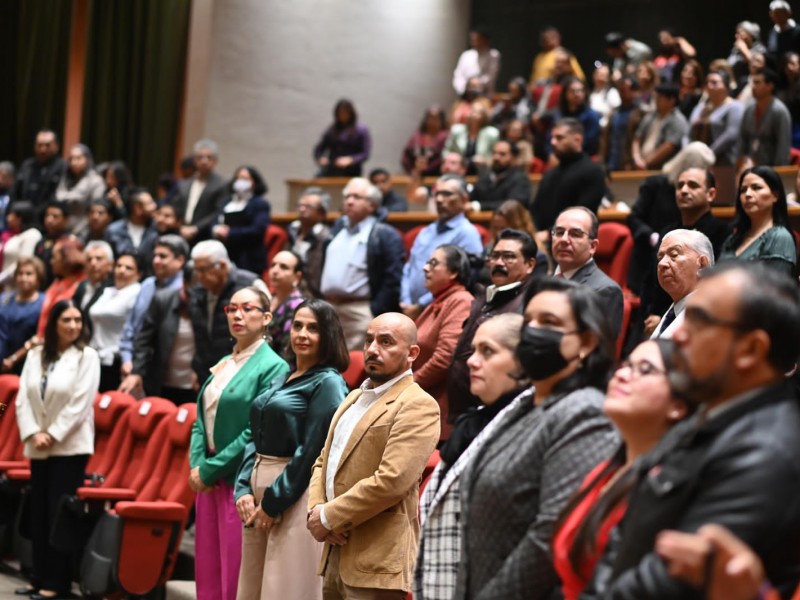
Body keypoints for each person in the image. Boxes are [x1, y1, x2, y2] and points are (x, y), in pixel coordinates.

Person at [589, 261, 800, 598]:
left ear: (750, 350)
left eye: (699, 321)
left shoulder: (765, 455)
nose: (680, 333)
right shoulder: (712, 411)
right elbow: (623, 535)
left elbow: (662, 586)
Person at [453, 278, 618, 600]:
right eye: (529, 321)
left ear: (585, 343)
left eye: (550, 323)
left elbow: (550, 534)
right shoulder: (524, 406)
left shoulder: (586, 412)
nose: (533, 330)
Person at [306, 312, 440, 599]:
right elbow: (323, 460)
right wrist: (317, 511)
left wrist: (329, 517)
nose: (372, 349)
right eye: (368, 340)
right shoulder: (353, 397)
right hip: (335, 552)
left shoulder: (418, 404)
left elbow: (392, 481)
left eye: (386, 342)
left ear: (412, 353)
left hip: (377, 562)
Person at [552, 338, 690, 600]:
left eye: (645, 369)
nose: (622, 374)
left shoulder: (664, 488)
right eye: (626, 364)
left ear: (678, 405)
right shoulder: (607, 468)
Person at [235, 299, 349, 600]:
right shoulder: (283, 375)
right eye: (298, 325)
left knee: (282, 587)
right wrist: (243, 487)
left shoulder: (329, 383)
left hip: (293, 494)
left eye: (313, 328)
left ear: (329, 335)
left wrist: (274, 501)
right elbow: (254, 434)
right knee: (251, 587)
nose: (302, 333)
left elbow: (313, 450)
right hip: (259, 489)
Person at [414, 314, 528, 600]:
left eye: (488, 351)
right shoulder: (471, 422)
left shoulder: (531, 426)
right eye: (473, 350)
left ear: (523, 361)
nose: (472, 361)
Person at [189, 286, 290, 600]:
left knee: (234, 571)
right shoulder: (225, 361)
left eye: (247, 308)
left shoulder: (274, 366)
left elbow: (253, 430)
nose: (237, 315)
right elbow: (199, 417)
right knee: (207, 569)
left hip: (238, 481)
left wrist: (210, 468)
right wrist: (197, 464)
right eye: (232, 309)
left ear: (267, 318)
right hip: (208, 477)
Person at [14, 299, 100, 600]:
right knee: (38, 513)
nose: (74, 325)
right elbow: (22, 398)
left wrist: (51, 434)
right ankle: (38, 577)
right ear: (54, 324)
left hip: (69, 447)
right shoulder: (37, 354)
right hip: (37, 446)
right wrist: (32, 433)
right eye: (67, 320)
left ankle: (57, 583)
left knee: (58, 515)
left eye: (78, 320)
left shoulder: (86, 356)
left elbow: (81, 403)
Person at [447, 228, 537, 421]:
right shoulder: (485, 295)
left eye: (508, 257)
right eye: (495, 256)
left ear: (529, 265)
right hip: (466, 409)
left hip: (496, 413)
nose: (498, 263)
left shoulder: (530, 304)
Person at [320, 178, 404, 350]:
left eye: (357, 197)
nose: (349, 201)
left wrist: (374, 310)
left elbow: (393, 277)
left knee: (354, 366)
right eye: (347, 196)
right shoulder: (337, 229)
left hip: (359, 310)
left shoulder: (384, 234)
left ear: (372, 205)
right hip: (329, 308)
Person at [400, 174, 482, 319]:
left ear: (464, 199)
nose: (439, 199)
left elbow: (463, 279)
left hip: (442, 311)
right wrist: (405, 300)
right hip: (409, 309)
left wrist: (420, 305)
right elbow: (409, 267)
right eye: (437, 194)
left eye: (447, 194)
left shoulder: (467, 233)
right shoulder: (426, 231)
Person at [413, 245, 474, 437]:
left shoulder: (460, 301)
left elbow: (445, 357)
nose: (425, 268)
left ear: (453, 272)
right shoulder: (439, 301)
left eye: (433, 263)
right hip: (421, 401)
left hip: (437, 408)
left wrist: (409, 386)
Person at [187, 240, 266, 383]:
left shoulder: (251, 285)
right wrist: (196, 368)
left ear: (222, 265)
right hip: (206, 373)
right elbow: (199, 335)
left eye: (204, 270)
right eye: (196, 270)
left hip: (242, 374)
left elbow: (267, 332)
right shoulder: (198, 290)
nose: (199, 276)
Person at [117, 234, 188, 384]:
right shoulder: (147, 285)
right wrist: (127, 359)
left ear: (180, 260)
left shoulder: (184, 290)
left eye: (163, 256)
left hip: (167, 370)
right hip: (134, 364)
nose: (156, 261)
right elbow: (131, 326)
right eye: (155, 255)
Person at [121, 264, 196, 403]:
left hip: (195, 385)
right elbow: (143, 340)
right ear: (185, 283)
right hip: (162, 382)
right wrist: (136, 372)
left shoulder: (207, 302)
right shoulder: (163, 299)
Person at [551, 207, 624, 338]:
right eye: (559, 232)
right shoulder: (541, 281)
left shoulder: (605, 291)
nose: (564, 239)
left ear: (593, 246)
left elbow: (598, 350)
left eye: (575, 234)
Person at [531, 118, 606, 238]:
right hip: (542, 243)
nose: (553, 142)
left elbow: (583, 215)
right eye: (552, 138)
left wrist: (548, 234)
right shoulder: (549, 174)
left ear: (577, 140)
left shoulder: (593, 172)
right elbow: (536, 211)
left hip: (572, 242)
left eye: (559, 138)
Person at [719, 166, 796, 276]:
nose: (748, 194)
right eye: (743, 190)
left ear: (775, 195)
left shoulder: (780, 237)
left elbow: (775, 288)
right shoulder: (733, 238)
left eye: (756, 188)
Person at [88, 252, 143, 392]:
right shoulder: (107, 291)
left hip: (116, 360)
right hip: (95, 356)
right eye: (119, 266)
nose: (122, 270)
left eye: (128, 268)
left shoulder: (137, 293)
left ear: (139, 274)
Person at [648, 230, 715, 340]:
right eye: (660, 258)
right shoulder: (674, 310)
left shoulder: (712, 315)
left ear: (702, 265)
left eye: (674, 254)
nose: (661, 263)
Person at [212, 165, 271, 275]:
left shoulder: (259, 203)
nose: (240, 182)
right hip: (227, 253)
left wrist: (230, 233)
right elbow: (215, 219)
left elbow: (258, 229)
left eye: (245, 179)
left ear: (254, 182)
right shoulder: (227, 201)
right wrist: (216, 229)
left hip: (248, 257)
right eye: (238, 178)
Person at [174, 139, 230, 244]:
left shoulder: (222, 184)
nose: (204, 161)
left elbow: (218, 212)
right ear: (194, 160)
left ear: (215, 161)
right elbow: (177, 208)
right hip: (182, 233)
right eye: (200, 157)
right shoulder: (184, 184)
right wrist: (180, 227)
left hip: (205, 236)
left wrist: (196, 228)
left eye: (209, 157)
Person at [687, 70, 745, 168]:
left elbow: (731, 134)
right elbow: (688, 132)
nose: (709, 85)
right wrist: (689, 152)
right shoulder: (700, 107)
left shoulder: (735, 106)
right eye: (707, 83)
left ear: (726, 86)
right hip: (696, 162)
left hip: (723, 162)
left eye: (714, 82)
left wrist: (707, 154)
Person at [35, 236, 87, 339]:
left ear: (67, 258)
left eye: (54, 257)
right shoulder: (58, 282)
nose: (51, 261)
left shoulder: (80, 285)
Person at [738, 68, 792, 168]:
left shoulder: (780, 111)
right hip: (750, 168)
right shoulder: (749, 109)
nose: (753, 86)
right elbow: (742, 141)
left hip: (771, 169)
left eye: (757, 82)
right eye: (752, 82)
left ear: (770, 86)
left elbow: (783, 148)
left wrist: (778, 173)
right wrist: (741, 163)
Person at [0, 258, 45, 374]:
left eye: (29, 274)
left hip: (24, 364)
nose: (23, 278)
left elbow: (40, 336)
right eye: (20, 273)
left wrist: (14, 358)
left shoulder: (43, 303)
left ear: (38, 277)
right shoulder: (4, 298)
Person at [632, 83, 689, 170]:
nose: (656, 100)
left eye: (660, 97)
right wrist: (637, 158)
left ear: (671, 100)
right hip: (641, 165)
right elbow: (637, 138)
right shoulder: (651, 116)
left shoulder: (678, 120)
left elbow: (669, 146)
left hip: (661, 169)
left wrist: (646, 162)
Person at [287, 187, 332, 297]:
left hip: (313, 294)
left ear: (322, 213)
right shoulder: (292, 231)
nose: (302, 209)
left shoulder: (325, 237)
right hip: (290, 289)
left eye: (308, 207)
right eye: (300, 205)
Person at [55, 143, 105, 236]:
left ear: (87, 159)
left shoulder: (96, 181)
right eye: (71, 159)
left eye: (78, 158)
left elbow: (95, 209)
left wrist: (69, 197)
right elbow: (58, 197)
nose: (74, 162)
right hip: (62, 228)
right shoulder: (66, 178)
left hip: (84, 229)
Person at [313, 99, 372, 177]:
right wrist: (321, 158)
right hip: (332, 170)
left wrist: (351, 160)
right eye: (340, 112)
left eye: (345, 112)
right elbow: (319, 149)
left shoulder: (361, 129)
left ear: (351, 113)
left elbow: (365, 153)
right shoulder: (331, 130)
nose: (342, 115)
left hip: (352, 171)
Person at [471, 140, 533, 211]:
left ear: (514, 158)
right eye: (494, 153)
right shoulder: (485, 176)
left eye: (502, 154)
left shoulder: (520, 179)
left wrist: (479, 206)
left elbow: (514, 205)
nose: (496, 157)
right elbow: (472, 199)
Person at [443, 101, 500, 175]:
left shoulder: (491, 133)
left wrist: (485, 161)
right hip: (458, 170)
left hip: (483, 170)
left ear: (484, 116)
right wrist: (453, 159)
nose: (474, 114)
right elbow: (446, 151)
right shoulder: (456, 130)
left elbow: (497, 155)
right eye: (472, 110)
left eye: (478, 112)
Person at [12, 129, 66, 207]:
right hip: (24, 212)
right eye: (39, 145)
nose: (43, 149)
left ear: (56, 146)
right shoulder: (27, 165)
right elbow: (15, 191)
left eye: (47, 145)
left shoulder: (63, 166)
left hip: (49, 215)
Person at [267, 250, 306, 356]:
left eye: (283, 267)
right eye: (273, 265)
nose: (275, 271)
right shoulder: (270, 299)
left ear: (297, 277)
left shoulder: (297, 306)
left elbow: (287, 351)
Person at [103, 187, 159, 257]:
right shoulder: (113, 231)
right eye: (149, 204)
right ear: (137, 208)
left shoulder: (157, 229)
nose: (155, 206)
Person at [0, 201, 42, 288]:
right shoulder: (10, 234)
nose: (8, 218)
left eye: (12, 215)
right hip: (5, 285)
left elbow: (24, 262)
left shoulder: (32, 235)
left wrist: (1, 279)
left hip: (17, 286)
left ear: (21, 218)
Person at [452, 27, 501, 96]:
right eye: (473, 39)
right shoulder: (466, 55)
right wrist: (465, 87)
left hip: (484, 95)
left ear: (485, 40)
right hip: (465, 94)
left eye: (478, 39)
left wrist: (479, 83)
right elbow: (458, 74)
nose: (475, 42)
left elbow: (491, 75)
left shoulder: (493, 55)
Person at [401, 105, 449, 177]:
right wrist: (413, 170)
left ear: (441, 120)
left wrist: (425, 169)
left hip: (434, 175)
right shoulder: (417, 135)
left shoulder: (445, 136)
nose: (432, 121)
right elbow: (406, 155)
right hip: (414, 174)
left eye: (435, 118)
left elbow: (441, 157)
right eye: (430, 118)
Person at [72, 240, 114, 315]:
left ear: (110, 264)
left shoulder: (114, 288)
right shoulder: (81, 287)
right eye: (89, 259)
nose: (93, 263)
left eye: (98, 258)